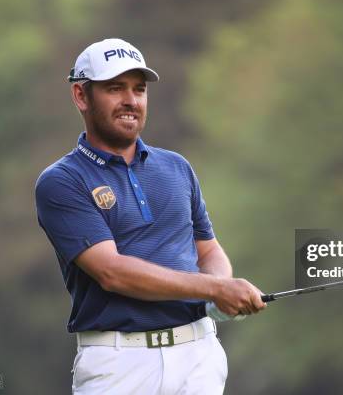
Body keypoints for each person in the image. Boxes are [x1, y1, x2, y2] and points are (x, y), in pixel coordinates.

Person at [35, 38, 266, 394]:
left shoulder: (176, 167)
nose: (131, 100)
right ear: (81, 96)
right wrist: (216, 288)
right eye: (115, 89)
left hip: (198, 357)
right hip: (118, 365)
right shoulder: (62, 181)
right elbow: (112, 272)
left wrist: (217, 296)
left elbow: (208, 251)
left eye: (139, 89)